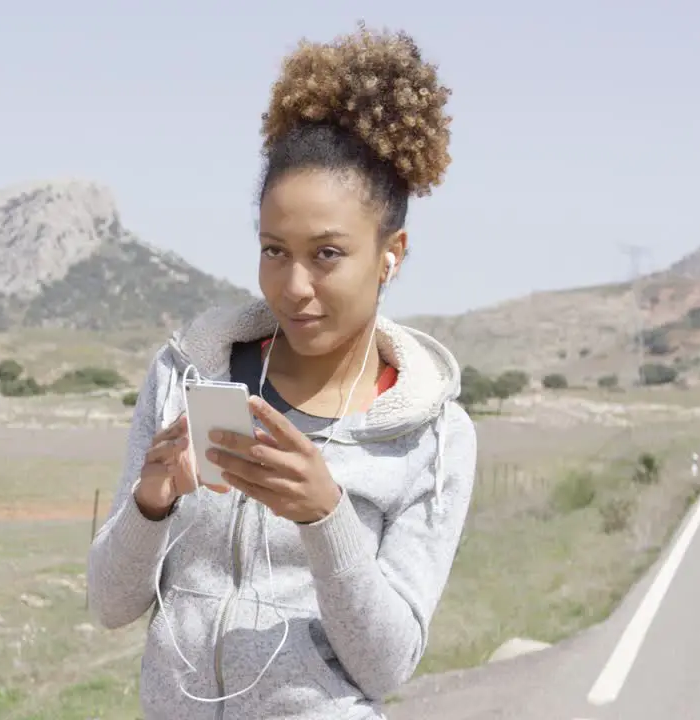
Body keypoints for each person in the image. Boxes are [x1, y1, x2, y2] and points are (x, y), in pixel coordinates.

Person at [87, 23, 476, 720]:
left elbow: (386, 665)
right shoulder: (189, 375)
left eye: (327, 254)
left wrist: (327, 516)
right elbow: (110, 606)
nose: (293, 285)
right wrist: (151, 502)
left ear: (392, 253)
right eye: (274, 250)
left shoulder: (432, 438)